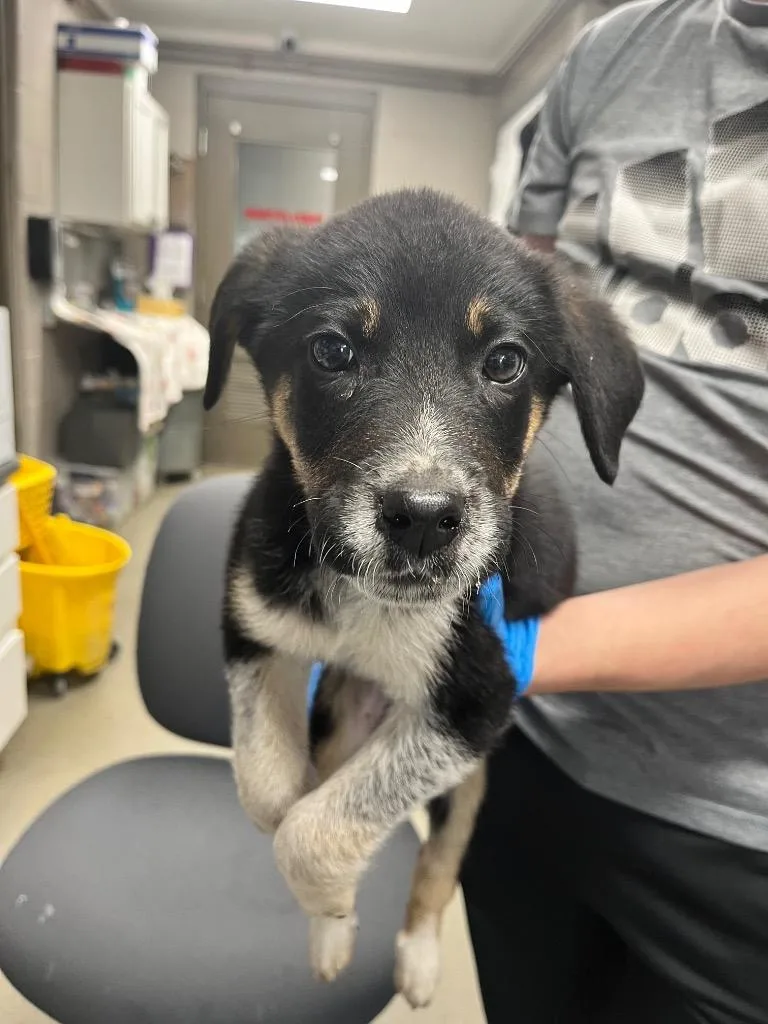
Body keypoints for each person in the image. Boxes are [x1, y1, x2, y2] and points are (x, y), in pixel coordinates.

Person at [459, 1, 768, 1022]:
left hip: (731, 819)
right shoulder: (619, 45)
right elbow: (506, 318)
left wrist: (518, 649)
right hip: (524, 746)